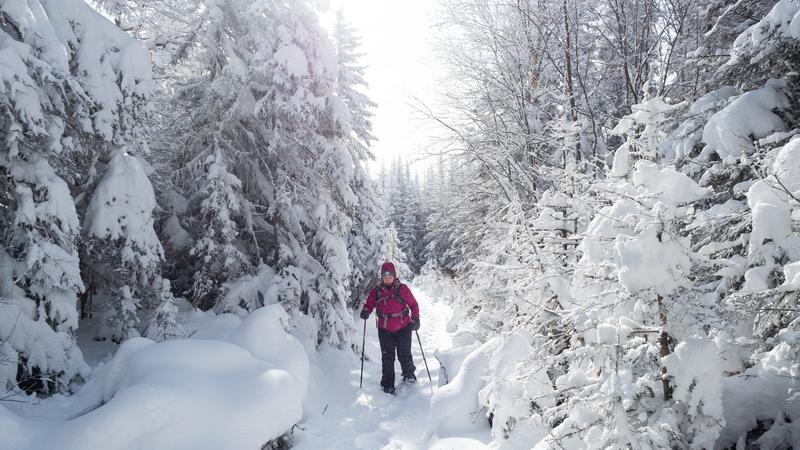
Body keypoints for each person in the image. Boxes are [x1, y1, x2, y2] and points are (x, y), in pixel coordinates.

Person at [360, 262, 420, 394]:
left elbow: (414, 305)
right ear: (382, 277)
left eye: (390, 276)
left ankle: (409, 375)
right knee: (387, 357)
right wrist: (366, 311)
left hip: (403, 327)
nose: (387, 279)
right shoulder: (376, 291)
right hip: (385, 328)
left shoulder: (403, 289)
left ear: (394, 276)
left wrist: (416, 319)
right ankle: (388, 384)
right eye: (385, 276)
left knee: (404, 353)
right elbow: (369, 303)